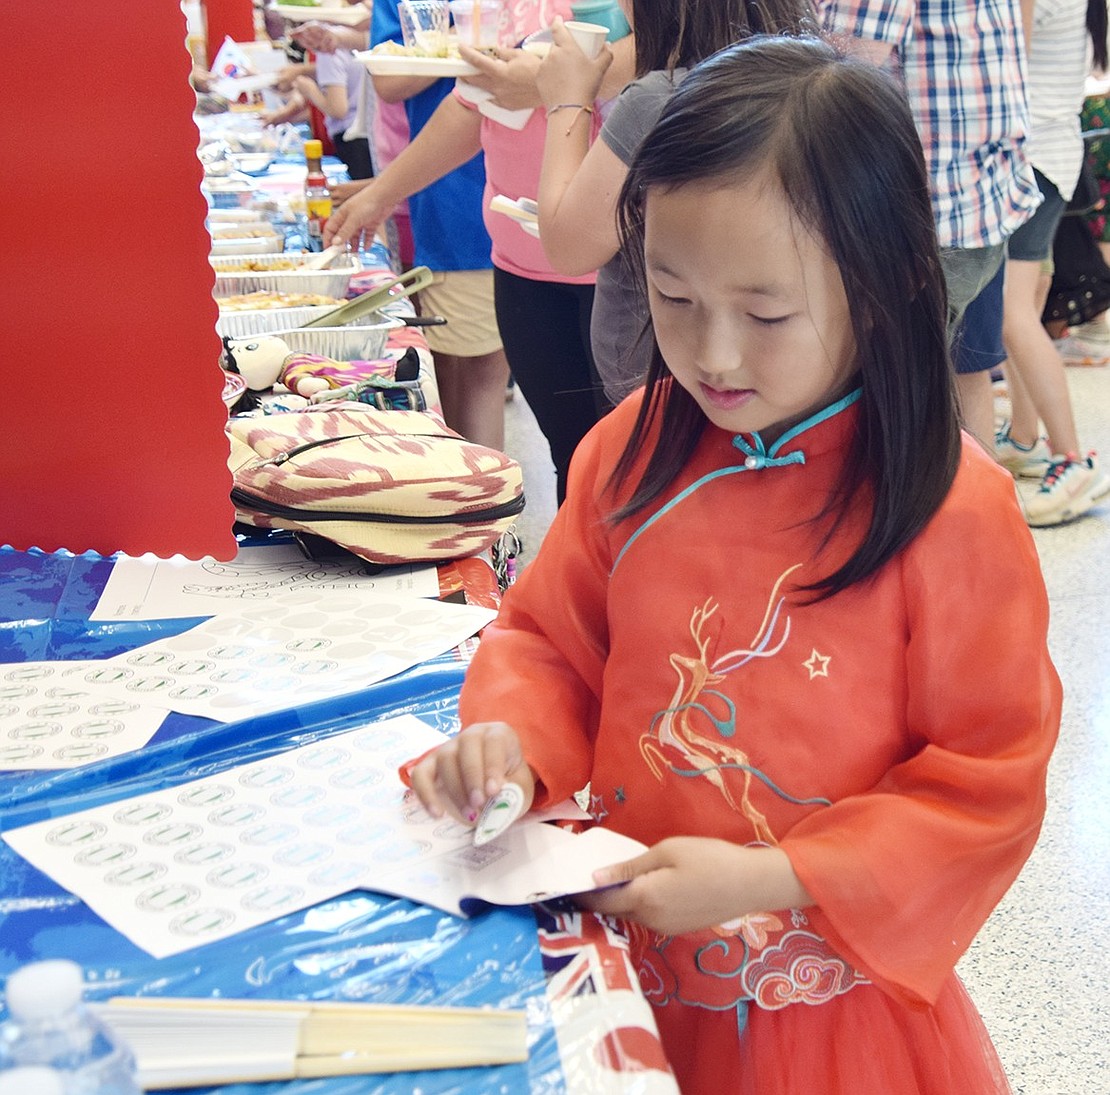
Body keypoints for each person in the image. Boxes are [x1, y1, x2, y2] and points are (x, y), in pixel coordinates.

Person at [407, 38, 1061, 1094]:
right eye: (672, 298)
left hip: (824, 1011)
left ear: (886, 278)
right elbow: (547, 641)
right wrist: (507, 744)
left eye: (765, 314)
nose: (713, 357)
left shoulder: (952, 510)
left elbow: (987, 781)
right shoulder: (632, 448)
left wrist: (773, 876)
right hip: (628, 970)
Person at [325, 8, 636, 502]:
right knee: (572, 460)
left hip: (616, 258)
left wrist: (546, 84)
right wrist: (381, 195)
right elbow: (471, 105)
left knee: (627, 470)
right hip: (521, 256)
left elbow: (670, 45)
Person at [535, 0, 815, 403]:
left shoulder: (660, 101)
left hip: (666, 391)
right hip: (773, 387)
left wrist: (567, 98)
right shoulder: (808, 89)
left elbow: (567, 244)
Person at [818, 0, 1042, 441]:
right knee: (965, 371)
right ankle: (979, 506)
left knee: (900, 396)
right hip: (983, 197)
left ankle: (923, 505)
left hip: (926, 214)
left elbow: (832, 74)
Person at [993, 0, 1109, 525]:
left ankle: (1072, 458)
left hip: (1030, 159)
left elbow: (1007, 67)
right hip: (1053, 155)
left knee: (1011, 314)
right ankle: (1023, 436)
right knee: (1027, 309)